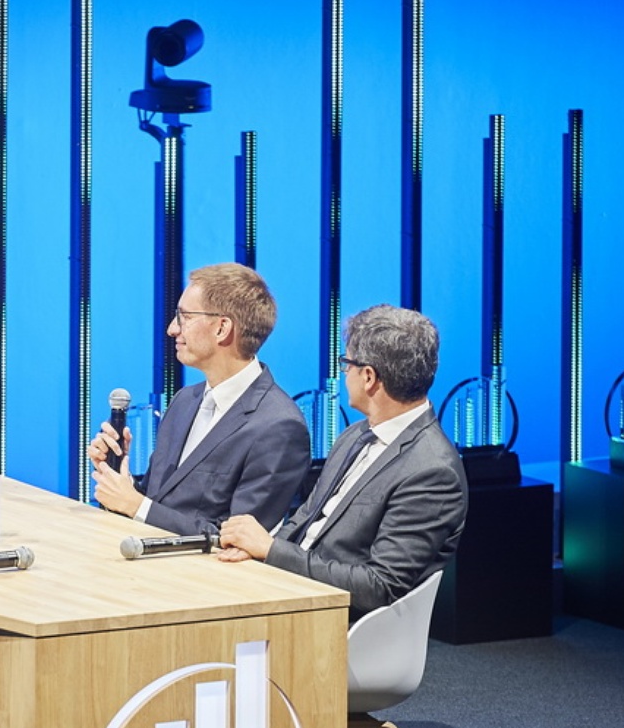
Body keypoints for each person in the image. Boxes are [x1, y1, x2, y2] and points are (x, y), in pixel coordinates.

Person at [217, 304, 468, 619]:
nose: (343, 372)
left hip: (335, 618)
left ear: (368, 377)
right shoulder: (355, 434)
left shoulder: (432, 470)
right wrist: (256, 551)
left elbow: (378, 587)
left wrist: (271, 550)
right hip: (290, 588)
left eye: (346, 364)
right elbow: (305, 519)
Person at [88, 262, 309, 537]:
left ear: (222, 328)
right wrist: (119, 480)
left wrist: (136, 505)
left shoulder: (279, 426)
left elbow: (238, 541)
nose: (172, 329)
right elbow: (158, 503)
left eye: (184, 317)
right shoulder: (184, 400)